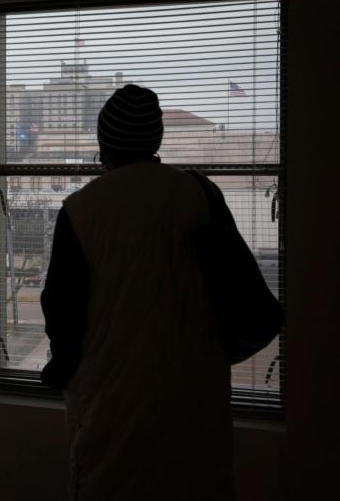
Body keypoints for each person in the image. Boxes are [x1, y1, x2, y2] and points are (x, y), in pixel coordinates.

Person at [40, 84, 243, 500]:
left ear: (103, 144)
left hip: (110, 409)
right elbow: (248, 302)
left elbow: (63, 315)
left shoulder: (82, 209)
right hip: (196, 408)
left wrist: (59, 373)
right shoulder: (200, 196)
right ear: (156, 141)